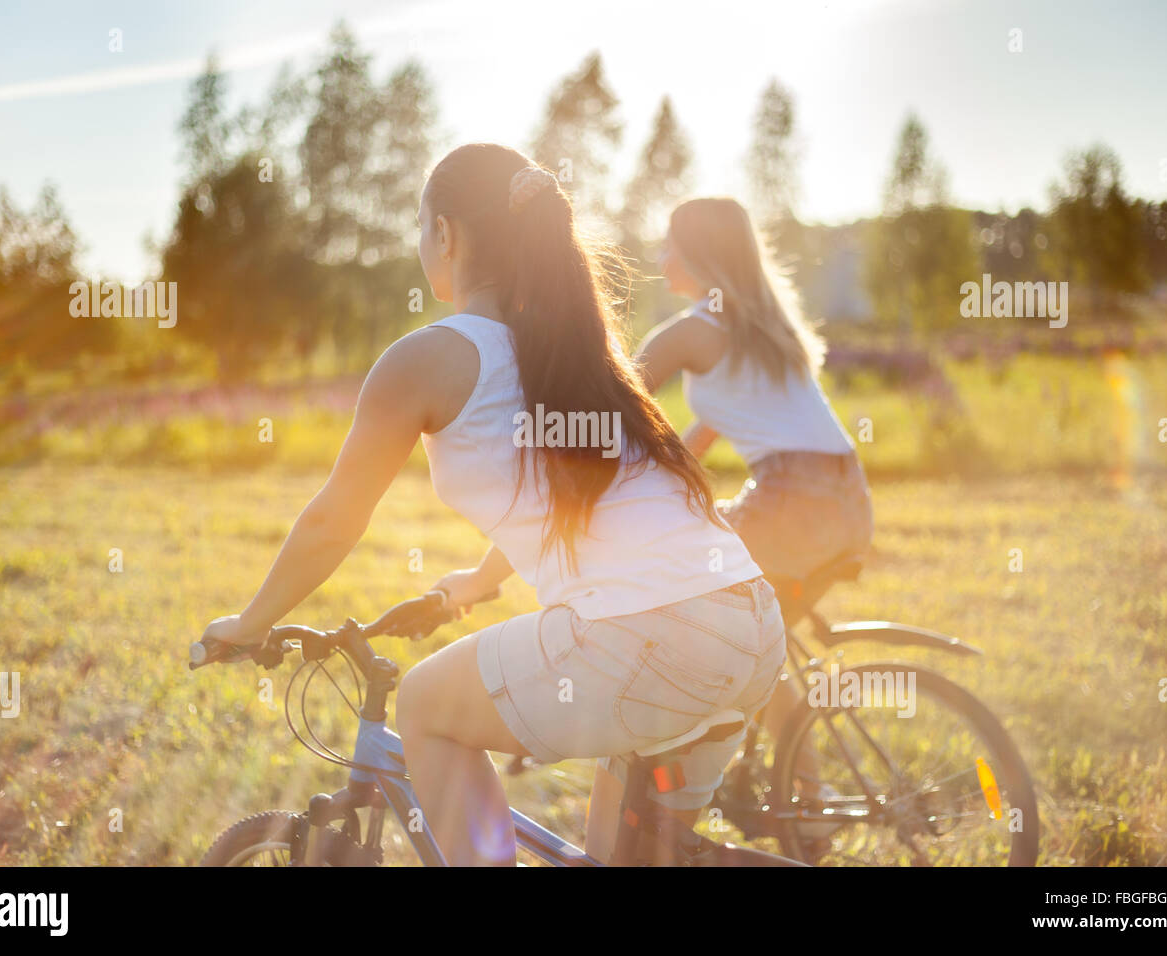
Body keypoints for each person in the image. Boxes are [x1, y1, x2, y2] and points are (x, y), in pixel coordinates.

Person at [200, 146, 786, 866]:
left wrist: (249, 623)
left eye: (420, 230)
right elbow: (565, 494)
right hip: (748, 623)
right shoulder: (583, 359)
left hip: (644, 636)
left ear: (445, 234)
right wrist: (476, 585)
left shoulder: (428, 359)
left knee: (424, 706)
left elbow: (333, 521)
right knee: (618, 856)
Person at [633, 196, 874, 789]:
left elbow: (616, 397)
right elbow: (696, 441)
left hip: (794, 501)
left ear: (698, 253)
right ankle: (795, 793)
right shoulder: (766, 330)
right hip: (848, 502)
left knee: (687, 611)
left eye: (671, 244)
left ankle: (712, 781)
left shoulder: (695, 330)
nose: (662, 258)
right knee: (753, 641)